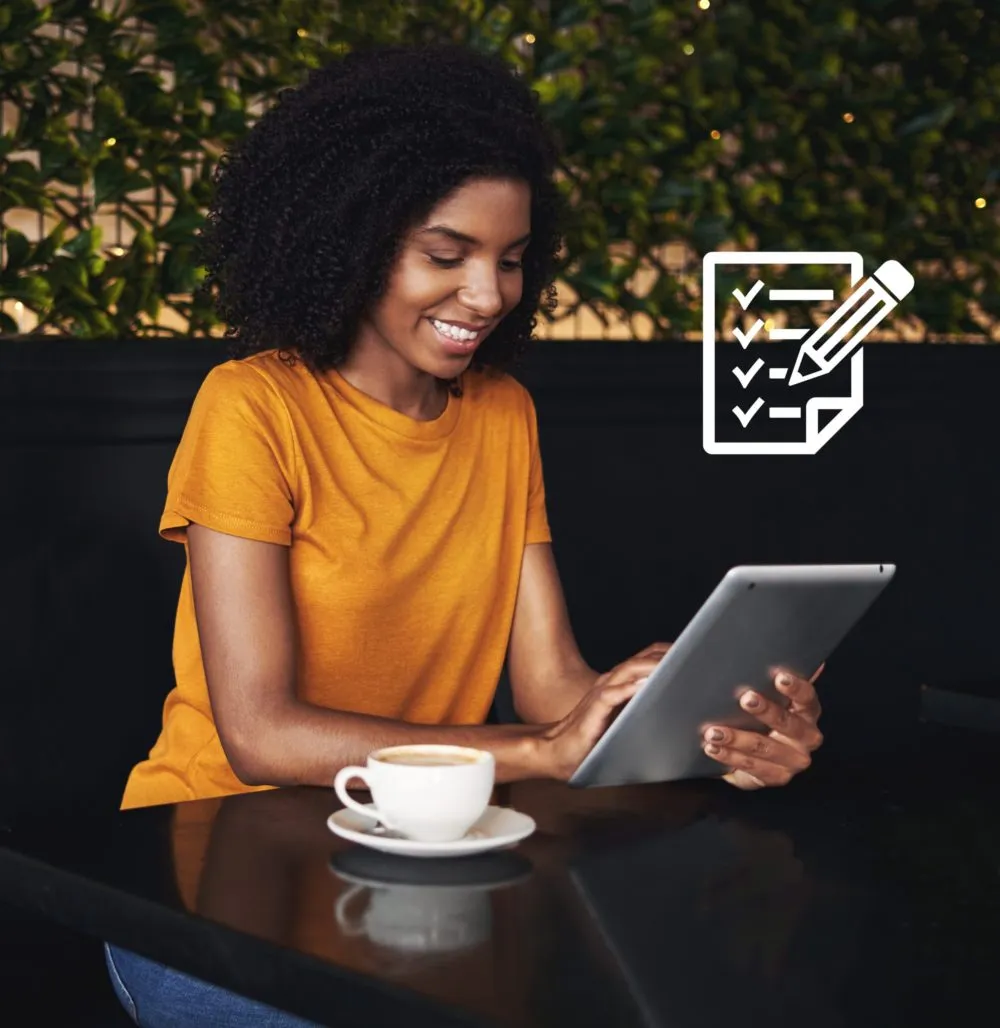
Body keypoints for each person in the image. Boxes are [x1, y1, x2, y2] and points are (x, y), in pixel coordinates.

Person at [105, 41, 824, 1027]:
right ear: (349, 239)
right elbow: (260, 731)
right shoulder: (252, 406)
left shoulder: (502, 414)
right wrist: (538, 747)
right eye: (445, 255)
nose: (487, 295)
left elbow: (553, 687)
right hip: (206, 865)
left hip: (427, 871)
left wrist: (708, 731)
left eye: (512, 260)